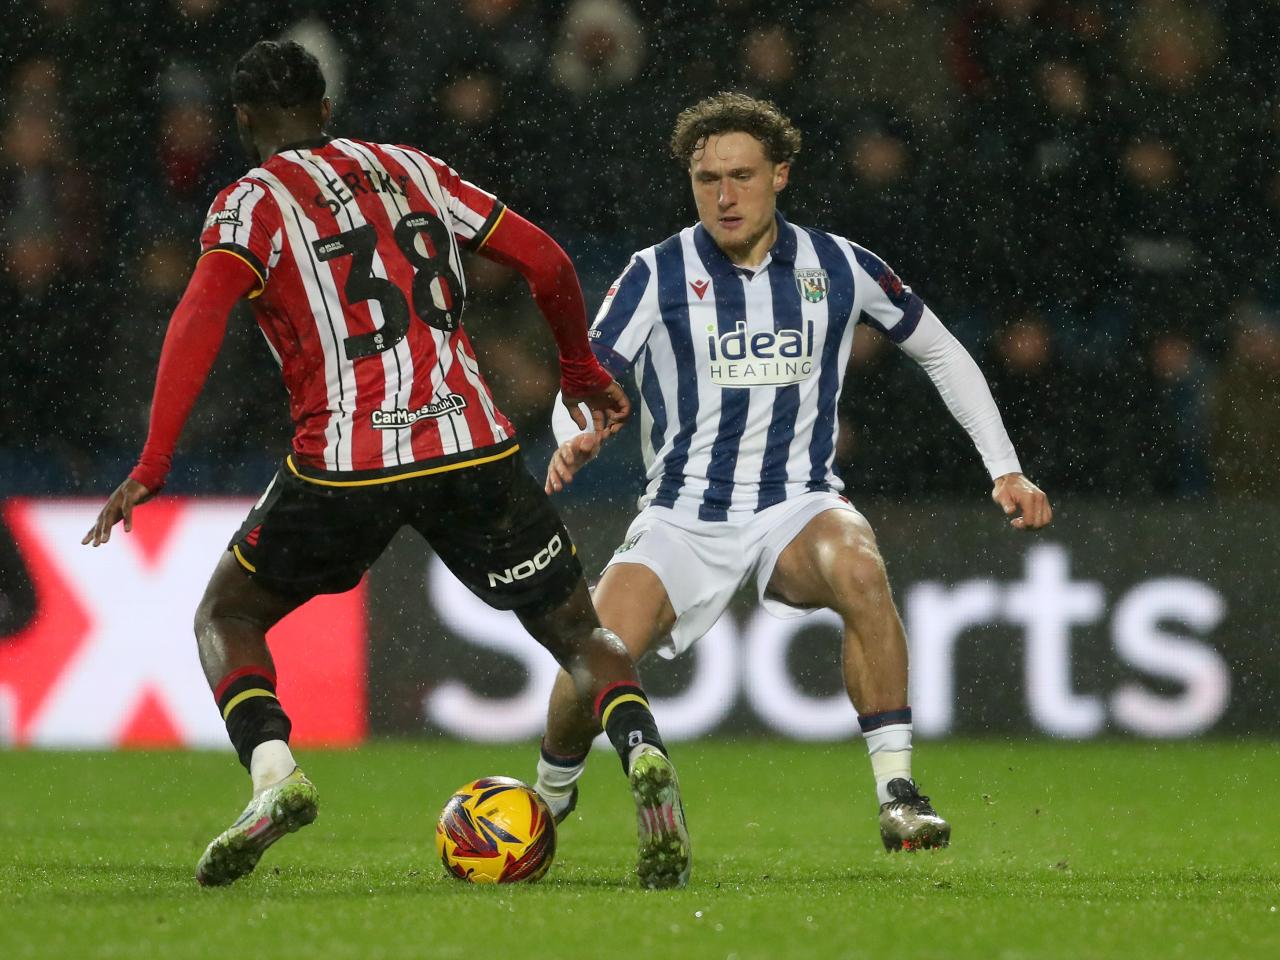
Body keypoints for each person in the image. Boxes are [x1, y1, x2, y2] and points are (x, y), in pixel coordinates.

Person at [81, 40, 690, 890]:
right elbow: (547, 260)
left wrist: (153, 461)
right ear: (326, 110)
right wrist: (581, 372)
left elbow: (197, 316)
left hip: (344, 465)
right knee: (579, 634)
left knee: (228, 614)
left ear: (243, 120)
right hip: (472, 443)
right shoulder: (409, 165)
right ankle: (644, 760)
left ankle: (273, 775)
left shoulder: (248, 205)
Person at [534, 92, 1052, 852]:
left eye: (741, 175)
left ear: (781, 174)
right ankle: (548, 800)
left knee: (859, 566)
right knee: (594, 653)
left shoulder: (840, 265)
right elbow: (581, 379)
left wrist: (1004, 468)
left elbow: (939, 349)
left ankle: (898, 795)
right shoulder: (656, 272)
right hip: (683, 514)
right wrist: (574, 432)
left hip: (795, 505)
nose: (723, 195)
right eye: (706, 178)